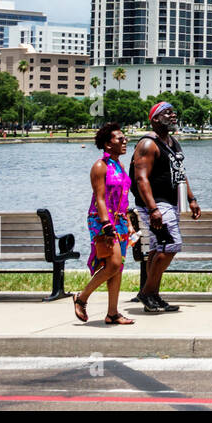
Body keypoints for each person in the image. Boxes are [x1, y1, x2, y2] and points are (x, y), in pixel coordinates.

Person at [131, 101, 201, 313]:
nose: (172, 116)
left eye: (173, 112)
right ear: (154, 119)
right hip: (156, 204)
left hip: (170, 202)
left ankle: (153, 296)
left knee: (158, 248)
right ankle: (146, 292)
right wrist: (153, 209)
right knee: (171, 245)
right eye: (166, 113)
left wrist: (191, 198)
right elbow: (141, 179)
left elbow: (180, 173)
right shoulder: (147, 144)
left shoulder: (172, 143)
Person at [73, 122, 135, 325]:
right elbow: (100, 197)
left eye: (125, 138)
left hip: (120, 220)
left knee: (118, 267)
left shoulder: (120, 165)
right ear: (108, 145)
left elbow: (123, 197)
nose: (125, 141)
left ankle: (112, 313)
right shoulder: (101, 166)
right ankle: (82, 297)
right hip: (102, 220)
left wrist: (128, 221)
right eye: (120, 139)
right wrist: (106, 224)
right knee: (114, 263)